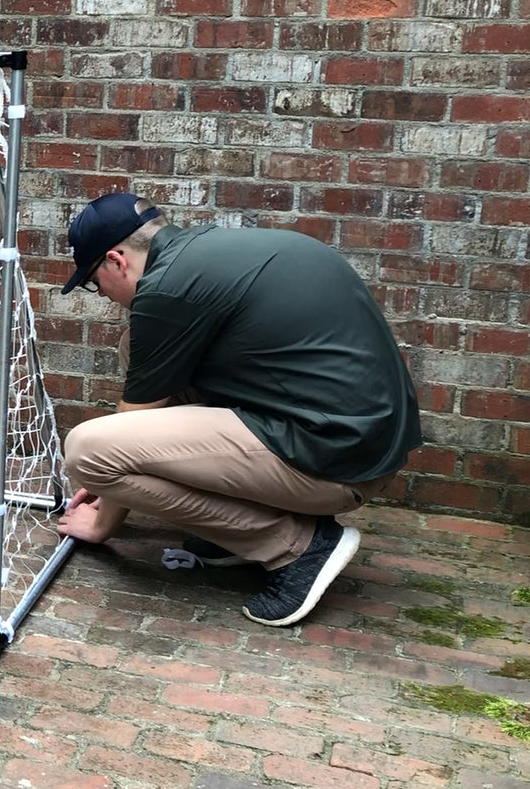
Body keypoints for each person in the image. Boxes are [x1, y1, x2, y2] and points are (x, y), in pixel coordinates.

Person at [54, 193, 422, 627]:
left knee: (87, 451)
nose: (105, 296)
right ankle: (234, 536)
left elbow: (129, 425)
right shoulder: (210, 256)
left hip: (335, 462)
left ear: (116, 261)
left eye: (95, 283)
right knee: (133, 349)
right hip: (355, 442)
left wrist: (102, 521)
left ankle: (297, 547)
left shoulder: (167, 289)